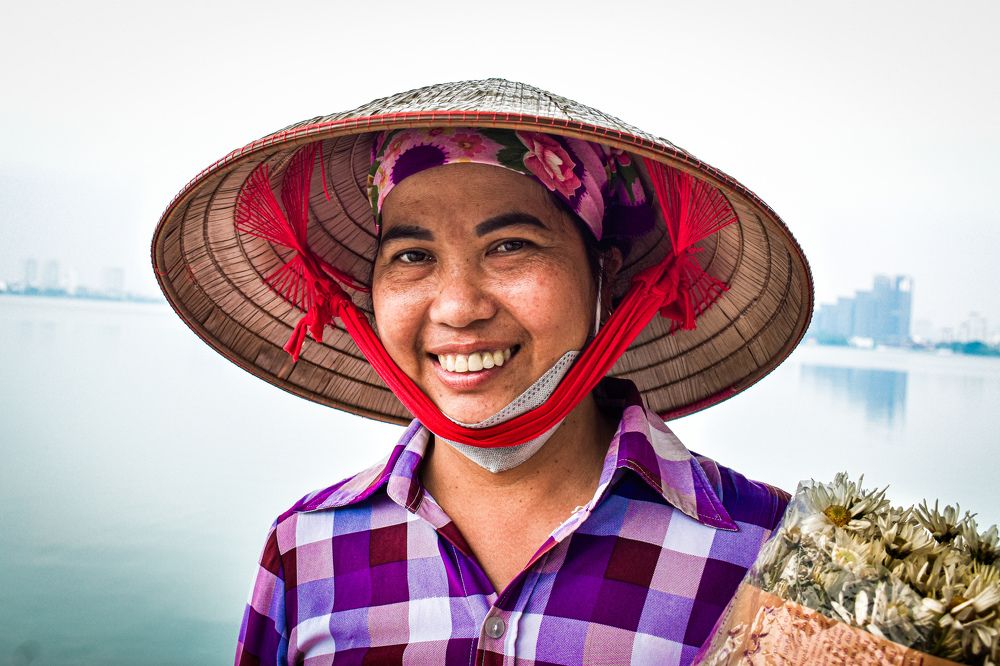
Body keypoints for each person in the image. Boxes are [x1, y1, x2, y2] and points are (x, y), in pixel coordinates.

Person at [152, 80, 813, 665]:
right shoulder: (307, 549)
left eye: (510, 247)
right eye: (412, 256)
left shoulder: (775, 554)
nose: (459, 307)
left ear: (604, 277)